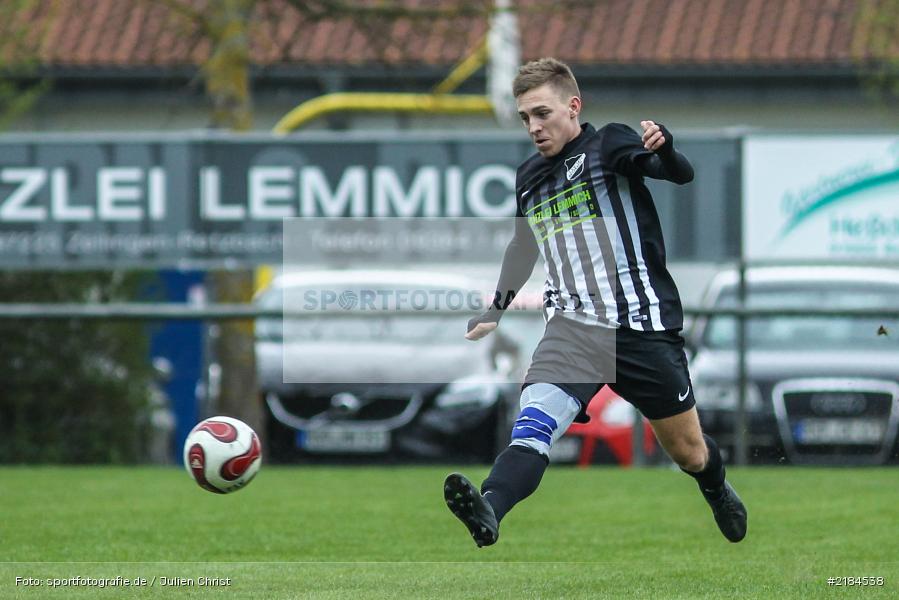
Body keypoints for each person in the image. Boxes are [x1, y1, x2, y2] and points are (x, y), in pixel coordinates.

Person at [443, 57, 747, 547]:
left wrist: (665, 147)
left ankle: (715, 488)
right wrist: (495, 309)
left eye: (542, 113)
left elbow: (677, 173)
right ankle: (490, 510)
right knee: (533, 427)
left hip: (640, 329)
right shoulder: (529, 177)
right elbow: (524, 247)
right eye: (525, 118)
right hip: (572, 331)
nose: (534, 127)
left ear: (573, 106)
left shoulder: (608, 144)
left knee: (689, 452)